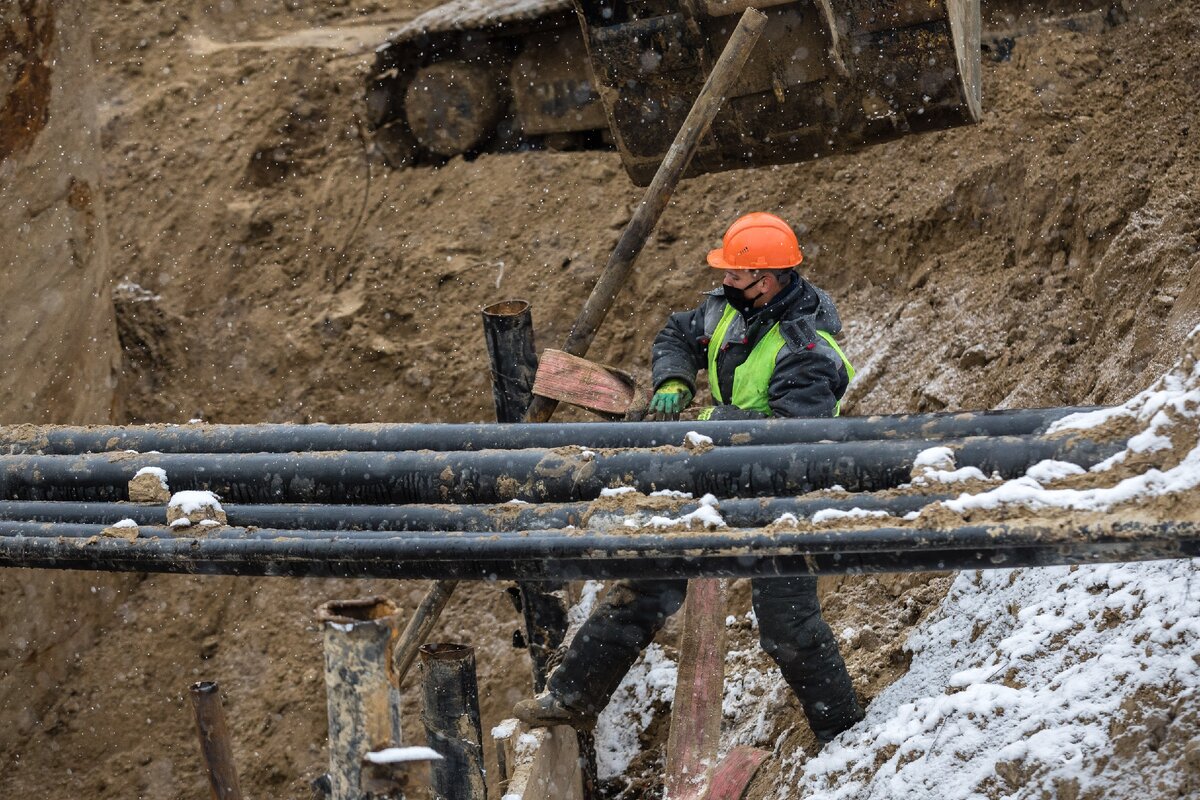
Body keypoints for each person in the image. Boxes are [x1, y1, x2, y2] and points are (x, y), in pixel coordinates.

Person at [513, 212, 863, 743]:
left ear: (766, 280)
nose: (723, 281)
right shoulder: (731, 308)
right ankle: (573, 698)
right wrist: (675, 377)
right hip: (722, 472)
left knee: (787, 627)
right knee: (649, 581)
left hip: (786, 489)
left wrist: (704, 422)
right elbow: (678, 331)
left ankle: (845, 737)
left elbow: (794, 434)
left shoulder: (807, 348)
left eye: (734, 275)